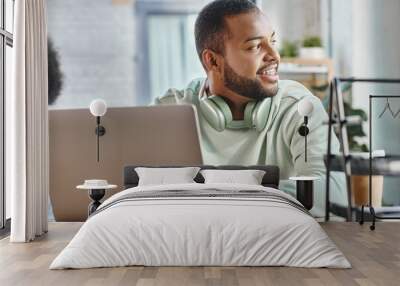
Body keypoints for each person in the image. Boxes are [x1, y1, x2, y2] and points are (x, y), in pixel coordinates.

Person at [154, 0, 346, 217]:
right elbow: (138, 191)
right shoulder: (169, 110)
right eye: (255, 46)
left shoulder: (299, 107)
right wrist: (266, 193)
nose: (274, 55)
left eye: (273, 41)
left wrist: (215, 197)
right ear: (213, 61)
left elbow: (332, 193)